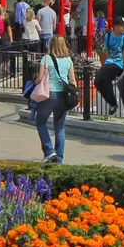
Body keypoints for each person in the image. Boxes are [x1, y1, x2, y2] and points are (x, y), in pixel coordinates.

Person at [31, 34, 76, 162]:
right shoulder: (68, 60)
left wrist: (33, 84)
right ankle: (59, 158)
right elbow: (72, 80)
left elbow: (40, 78)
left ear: (51, 45)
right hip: (63, 95)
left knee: (40, 122)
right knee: (60, 127)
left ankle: (49, 151)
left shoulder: (46, 59)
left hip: (49, 94)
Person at [95, 15, 124, 114]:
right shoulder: (108, 36)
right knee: (97, 81)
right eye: (121, 25)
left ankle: (113, 104)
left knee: (107, 79)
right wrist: (106, 62)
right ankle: (111, 102)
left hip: (119, 63)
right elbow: (106, 51)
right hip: (109, 62)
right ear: (115, 26)